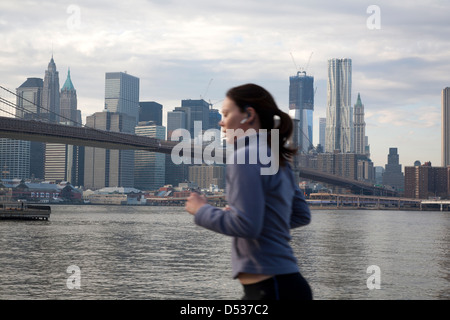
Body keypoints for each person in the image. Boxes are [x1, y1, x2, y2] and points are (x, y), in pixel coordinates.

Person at [185, 83, 312, 300]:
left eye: (225, 113)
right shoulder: (277, 158)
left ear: (248, 115)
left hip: (269, 290)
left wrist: (201, 209)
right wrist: (251, 216)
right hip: (288, 284)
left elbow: (247, 226)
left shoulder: (244, 156)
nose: (221, 121)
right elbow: (301, 214)